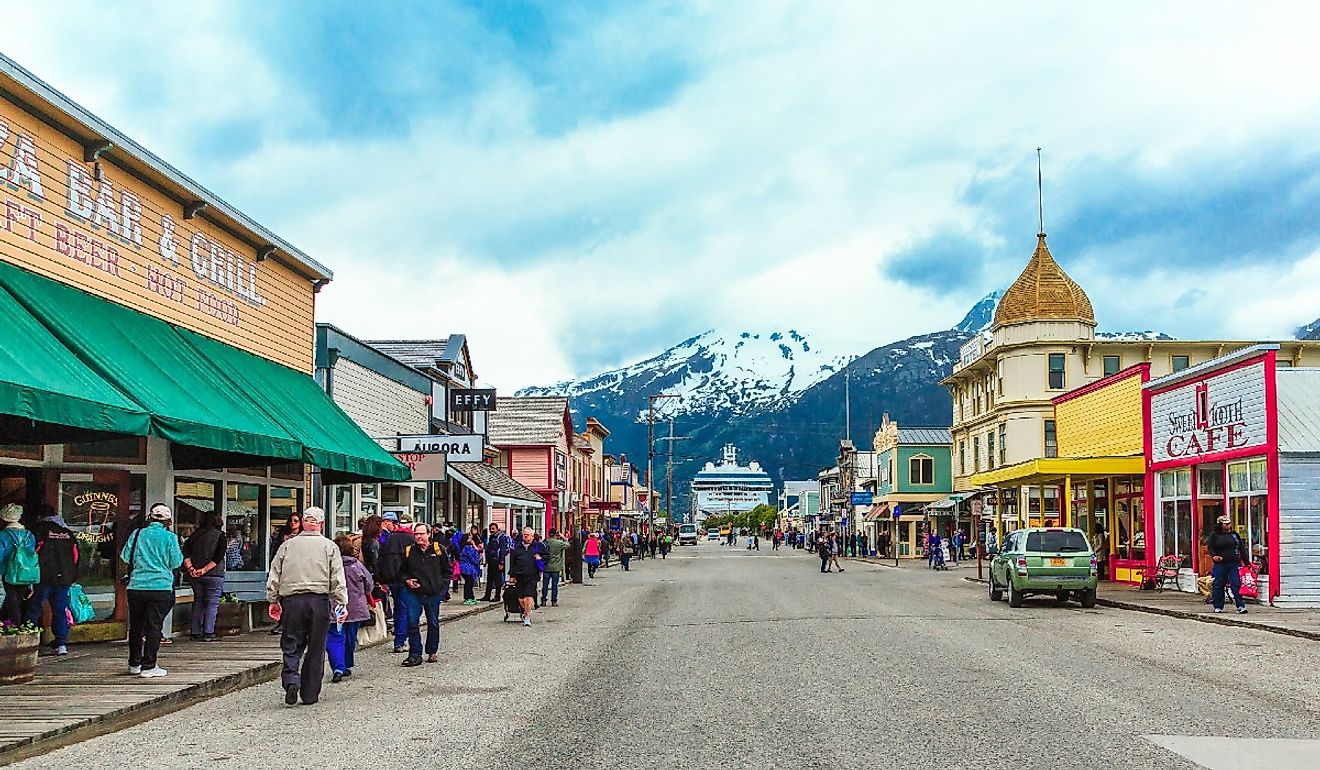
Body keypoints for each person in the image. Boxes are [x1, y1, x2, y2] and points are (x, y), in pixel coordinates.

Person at [266, 507, 347, 706]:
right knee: (316, 647)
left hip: (292, 601)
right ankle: (310, 693)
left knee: (291, 642)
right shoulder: (329, 547)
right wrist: (342, 603)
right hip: (318, 600)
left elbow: (274, 573)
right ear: (321, 523)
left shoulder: (287, 546)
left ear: (303, 522)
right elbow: (337, 577)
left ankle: (292, 678)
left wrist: (273, 599)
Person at [121, 504, 184, 678]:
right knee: (154, 626)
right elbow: (176, 562)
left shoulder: (137, 534)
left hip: (136, 586)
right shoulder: (170, 537)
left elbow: (125, 556)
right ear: (168, 521)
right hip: (160, 587)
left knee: (136, 625)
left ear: (150, 518)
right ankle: (149, 665)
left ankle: (134, 663)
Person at [27, 506, 79, 655]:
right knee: (59, 610)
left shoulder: (38, 531)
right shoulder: (67, 532)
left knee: (34, 608)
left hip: (42, 576)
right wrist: (73, 576)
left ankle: (29, 642)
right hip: (63, 577)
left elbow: (31, 553)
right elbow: (75, 556)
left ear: (39, 516)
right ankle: (61, 643)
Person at [400, 522, 448, 666]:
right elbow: (402, 572)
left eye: (421, 534)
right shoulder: (409, 551)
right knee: (412, 622)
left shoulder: (438, 550)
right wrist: (407, 580)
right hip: (413, 593)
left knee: (433, 622)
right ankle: (415, 654)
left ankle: (432, 650)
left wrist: (441, 587)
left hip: (433, 593)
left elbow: (447, 570)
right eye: (416, 534)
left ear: (429, 534)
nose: (418, 537)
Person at [327, 535, 373, 683]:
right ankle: (346, 663)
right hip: (355, 609)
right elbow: (369, 585)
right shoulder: (357, 566)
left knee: (335, 637)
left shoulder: (330, 567)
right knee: (350, 638)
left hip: (335, 608)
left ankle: (338, 667)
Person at [182, 510, 227, 642]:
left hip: (195, 574)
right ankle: (208, 632)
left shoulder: (194, 536)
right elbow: (218, 557)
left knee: (198, 602)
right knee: (212, 603)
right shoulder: (220, 536)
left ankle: (195, 631)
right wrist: (204, 569)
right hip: (214, 574)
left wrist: (191, 569)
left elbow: (185, 553)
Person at [376, 514, 417, 653]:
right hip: (407, 580)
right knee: (406, 609)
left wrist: (381, 579)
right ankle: (401, 640)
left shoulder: (389, 539)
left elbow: (381, 560)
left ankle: (400, 640)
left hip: (392, 579)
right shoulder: (412, 539)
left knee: (398, 608)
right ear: (411, 525)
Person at [1, 504, 38, 625]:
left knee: (11, 599)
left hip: (7, 571)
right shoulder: (29, 535)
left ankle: (14, 625)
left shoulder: (3, 535)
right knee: (17, 599)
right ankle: (13, 624)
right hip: (26, 572)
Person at [1207, 515, 1249, 614]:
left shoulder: (1234, 535)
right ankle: (1218, 606)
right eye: (1226, 524)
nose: (1228, 526)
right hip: (1221, 563)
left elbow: (1241, 548)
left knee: (1236, 584)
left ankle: (1240, 606)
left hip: (1234, 562)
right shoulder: (1215, 536)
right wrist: (1214, 556)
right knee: (1219, 584)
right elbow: (1211, 547)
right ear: (1220, 525)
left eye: (1229, 524)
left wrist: (1246, 562)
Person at [509, 527, 543, 626]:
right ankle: (526, 611)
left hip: (532, 575)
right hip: (520, 575)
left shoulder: (538, 546)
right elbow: (513, 561)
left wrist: (540, 558)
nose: (525, 536)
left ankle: (527, 617)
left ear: (532, 536)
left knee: (528, 595)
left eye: (527, 535)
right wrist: (512, 575)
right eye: (524, 534)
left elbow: (546, 556)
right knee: (521, 598)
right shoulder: (518, 546)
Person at [480, 523, 511, 603]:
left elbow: (502, 550)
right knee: (489, 579)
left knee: (497, 579)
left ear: (497, 529)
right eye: (490, 529)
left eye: (493, 529)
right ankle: (487, 596)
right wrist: (486, 560)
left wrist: (501, 562)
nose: (491, 530)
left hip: (497, 561)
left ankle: (497, 596)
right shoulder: (491, 537)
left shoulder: (501, 537)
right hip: (491, 560)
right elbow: (489, 549)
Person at [540, 528, 569, 607]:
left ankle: (543, 600)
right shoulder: (559, 543)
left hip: (546, 566)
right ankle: (554, 601)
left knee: (545, 585)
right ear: (556, 534)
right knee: (554, 585)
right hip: (556, 567)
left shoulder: (545, 542)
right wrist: (563, 537)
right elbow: (568, 545)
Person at [458, 533, 483, 606]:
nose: (471, 540)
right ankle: (468, 597)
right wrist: (476, 548)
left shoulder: (464, 547)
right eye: (470, 538)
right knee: (469, 583)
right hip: (467, 568)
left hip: (465, 567)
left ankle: (471, 597)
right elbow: (474, 558)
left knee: (469, 582)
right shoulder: (468, 548)